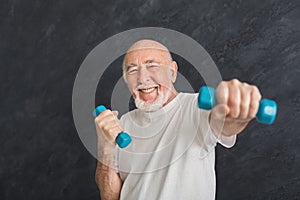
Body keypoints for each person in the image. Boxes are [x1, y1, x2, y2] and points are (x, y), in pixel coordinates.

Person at [94, 40, 262, 200]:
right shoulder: (123, 123)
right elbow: (110, 197)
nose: (142, 78)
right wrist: (105, 149)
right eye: (132, 70)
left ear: (172, 72)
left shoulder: (197, 108)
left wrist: (238, 112)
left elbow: (227, 125)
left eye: (152, 66)